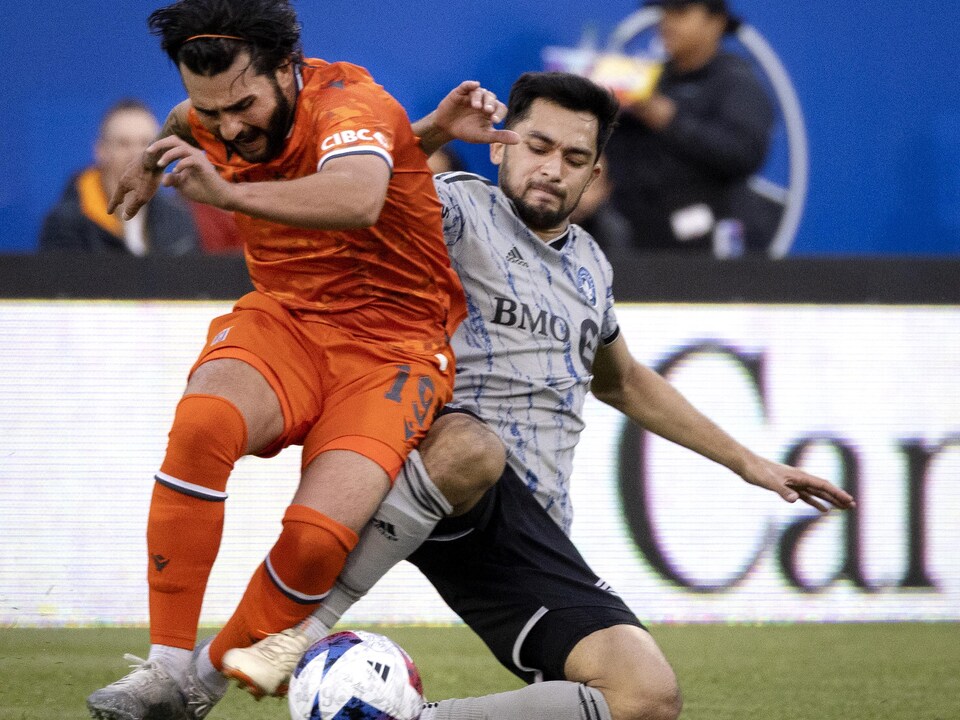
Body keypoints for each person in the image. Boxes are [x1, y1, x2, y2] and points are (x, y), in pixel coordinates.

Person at [220, 72, 855, 720]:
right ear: (499, 146)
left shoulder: (591, 267)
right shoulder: (453, 207)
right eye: (538, 146)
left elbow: (624, 380)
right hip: (439, 465)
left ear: (595, 172)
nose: (553, 168)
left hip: (528, 530)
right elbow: (356, 192)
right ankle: (300, 625)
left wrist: (749, 463)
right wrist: (430, 133)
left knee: (648, 698)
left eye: (574, 158)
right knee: (474, 446)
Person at [84, 2, 514, 719]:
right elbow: (182, 123)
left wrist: (221, 192)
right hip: (288, 318)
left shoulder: (353, 101)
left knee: (317, 540)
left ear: (288, 68)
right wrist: (148, 155)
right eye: (209, 109)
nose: (228, 127)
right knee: (202, 424)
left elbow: (359, 194)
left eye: (243, 104)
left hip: (394, 349)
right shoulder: (207, 114)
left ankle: (200, 685)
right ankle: (162, 668)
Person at [604, 0, 775, 254]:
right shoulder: (647, 79)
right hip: (637, 240)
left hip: (707, 244)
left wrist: (670, 120)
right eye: (664, 13)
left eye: (680, 12)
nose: (667, 22)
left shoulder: (737, 82)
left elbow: (744, 153)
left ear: (716, 22)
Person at [38, 99, 199, 256]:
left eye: (146, 143)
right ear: (100, 150)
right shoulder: (66, 223)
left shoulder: (178, 217)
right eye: (123, 143)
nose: (136, 154)